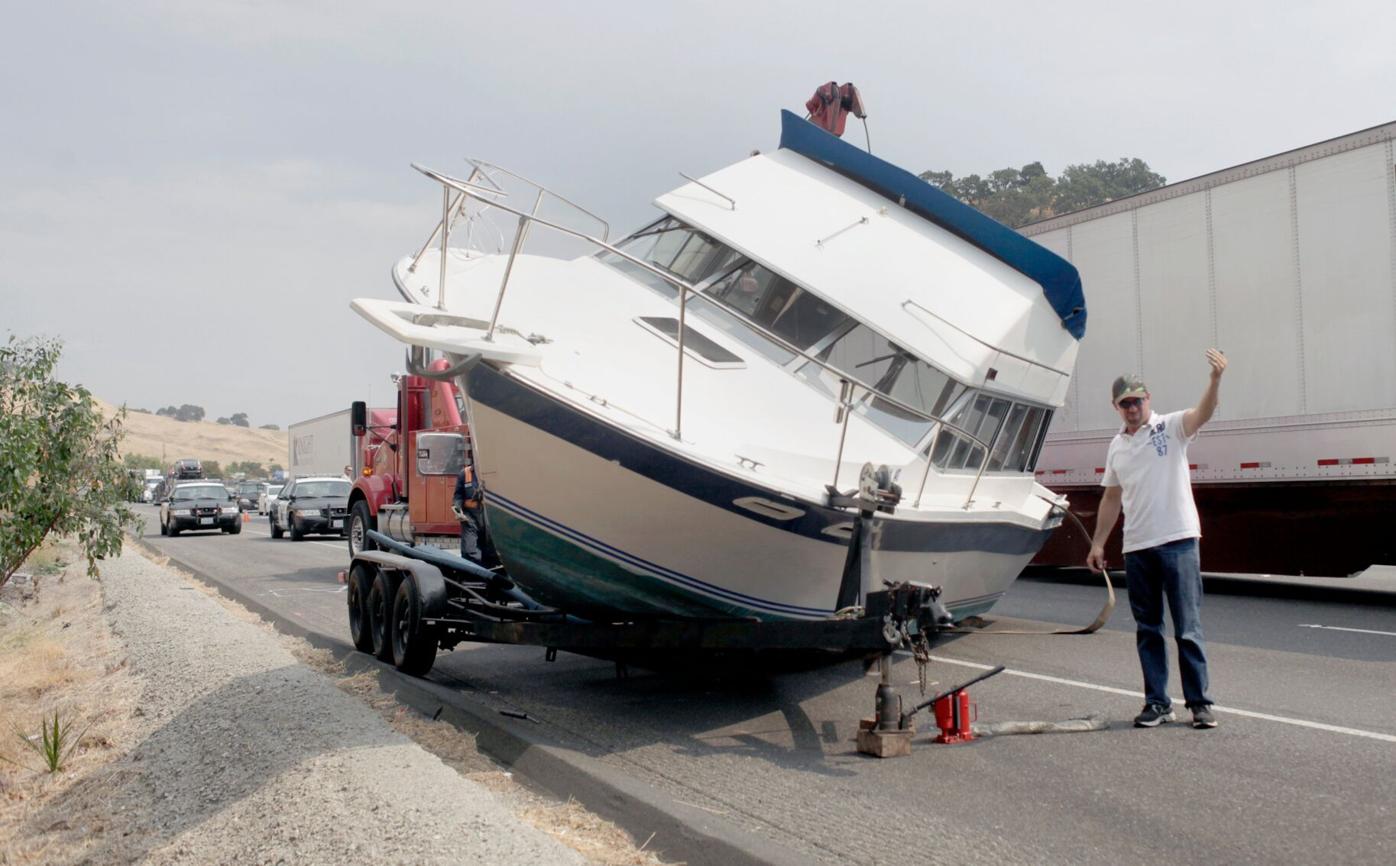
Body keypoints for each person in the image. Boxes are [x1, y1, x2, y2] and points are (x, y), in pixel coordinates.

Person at [1087, 348, 1227, 730]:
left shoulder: (1172, 427)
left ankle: (1199, 704)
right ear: (1116, 407)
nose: (1133, 408)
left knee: (1187, 627)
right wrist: (1099, 542)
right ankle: (1157, 703)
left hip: (1178, 541)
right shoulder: (1117, 446)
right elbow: (1112, 497)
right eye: (1125, 403)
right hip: (1137, 547)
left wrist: (1214, 381)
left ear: (1149, 399)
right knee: (1148, 629)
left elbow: (1204, 414)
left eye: (1138, 400)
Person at [452, 454, 485, 565]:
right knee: (470, 547)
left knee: (489, 549)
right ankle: (472, 572)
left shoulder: (492, 474)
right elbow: (458, 496)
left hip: (487, 517)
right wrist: (458, 510)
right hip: (470, 516)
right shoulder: (464, 474)